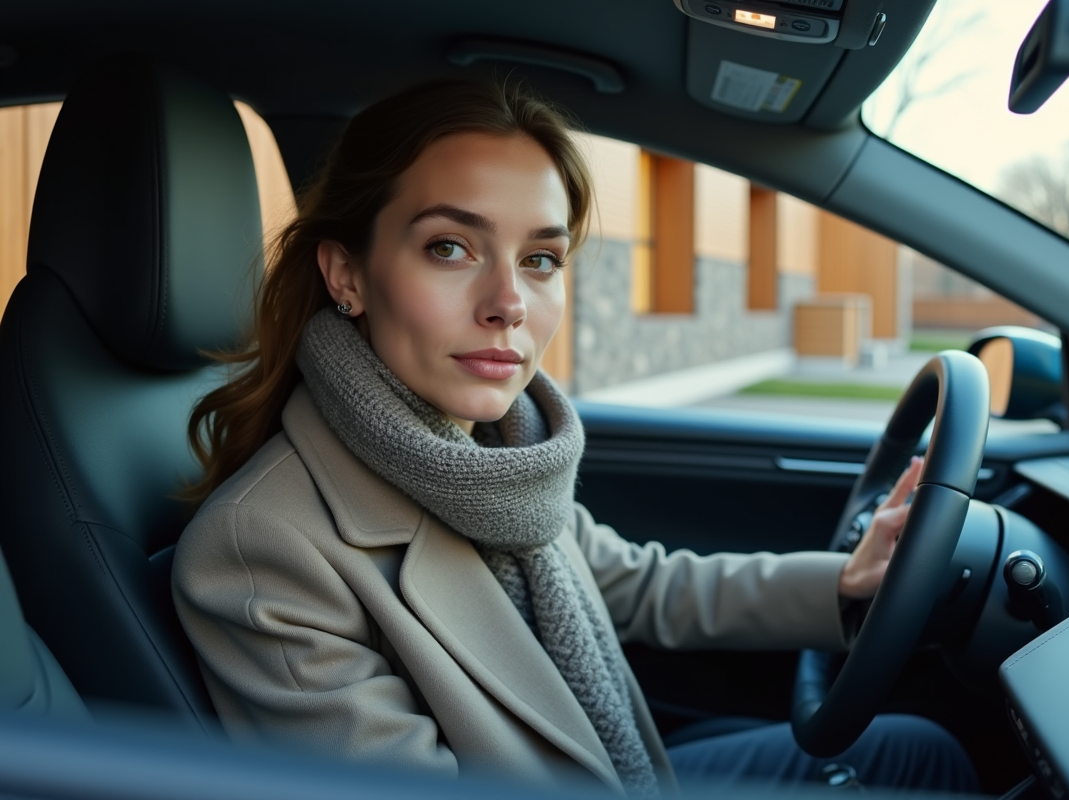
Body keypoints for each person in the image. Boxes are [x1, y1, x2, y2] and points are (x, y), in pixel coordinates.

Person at [172, 79, 977, 797]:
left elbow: (639, 585)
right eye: (450, 247)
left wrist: (848, 582)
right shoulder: (261, 551)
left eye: (541, 258)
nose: (508, 302)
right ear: (347, 273)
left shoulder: (494, 454)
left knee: (919, 752)